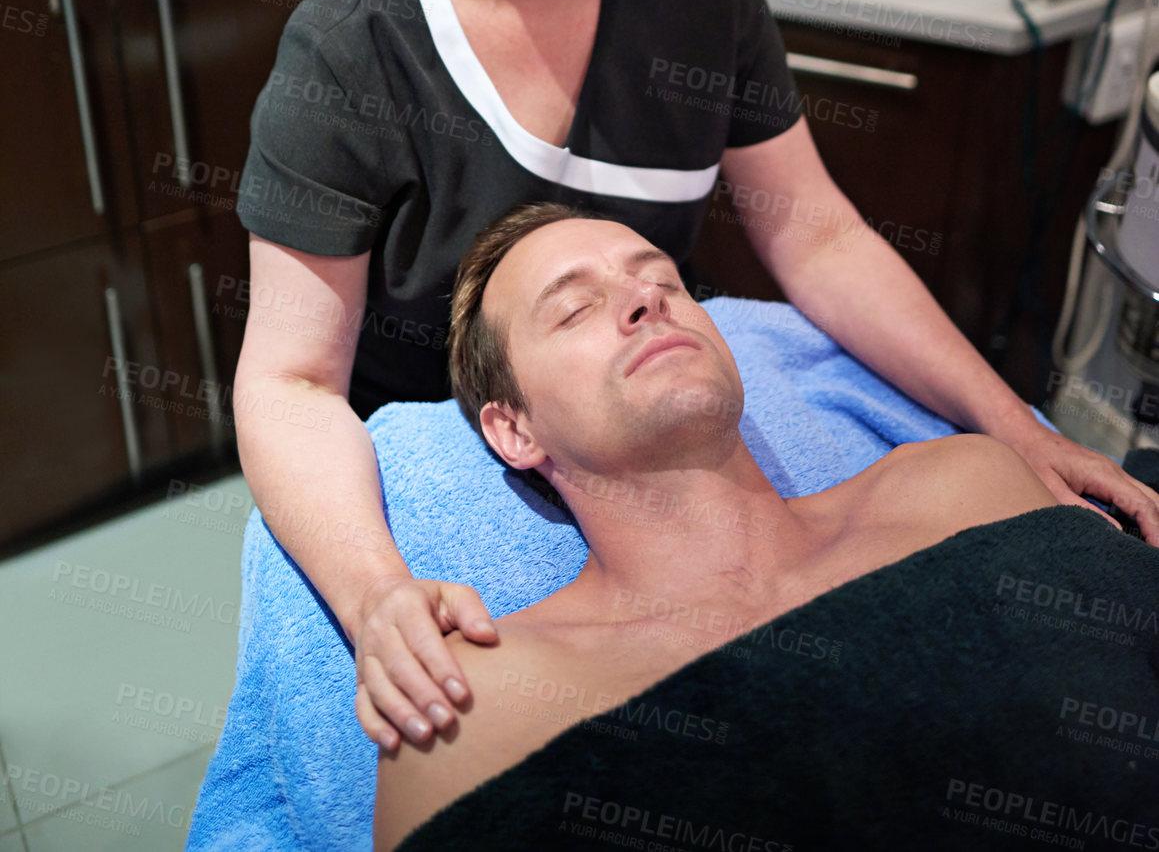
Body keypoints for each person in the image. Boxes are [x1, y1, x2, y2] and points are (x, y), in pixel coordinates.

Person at [231, 0, 1159, 758]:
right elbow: (290, 382)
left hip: (644, 429)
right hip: (454, 447)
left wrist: (1015, 426)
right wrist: (377, 593)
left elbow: (813, 233)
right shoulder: (352, 47)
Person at [373, 201, 1071, 852]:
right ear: (515, 428)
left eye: (666, 284)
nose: (647, 301)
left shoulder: (958, 492)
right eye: (576, 308)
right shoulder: (481, 695)